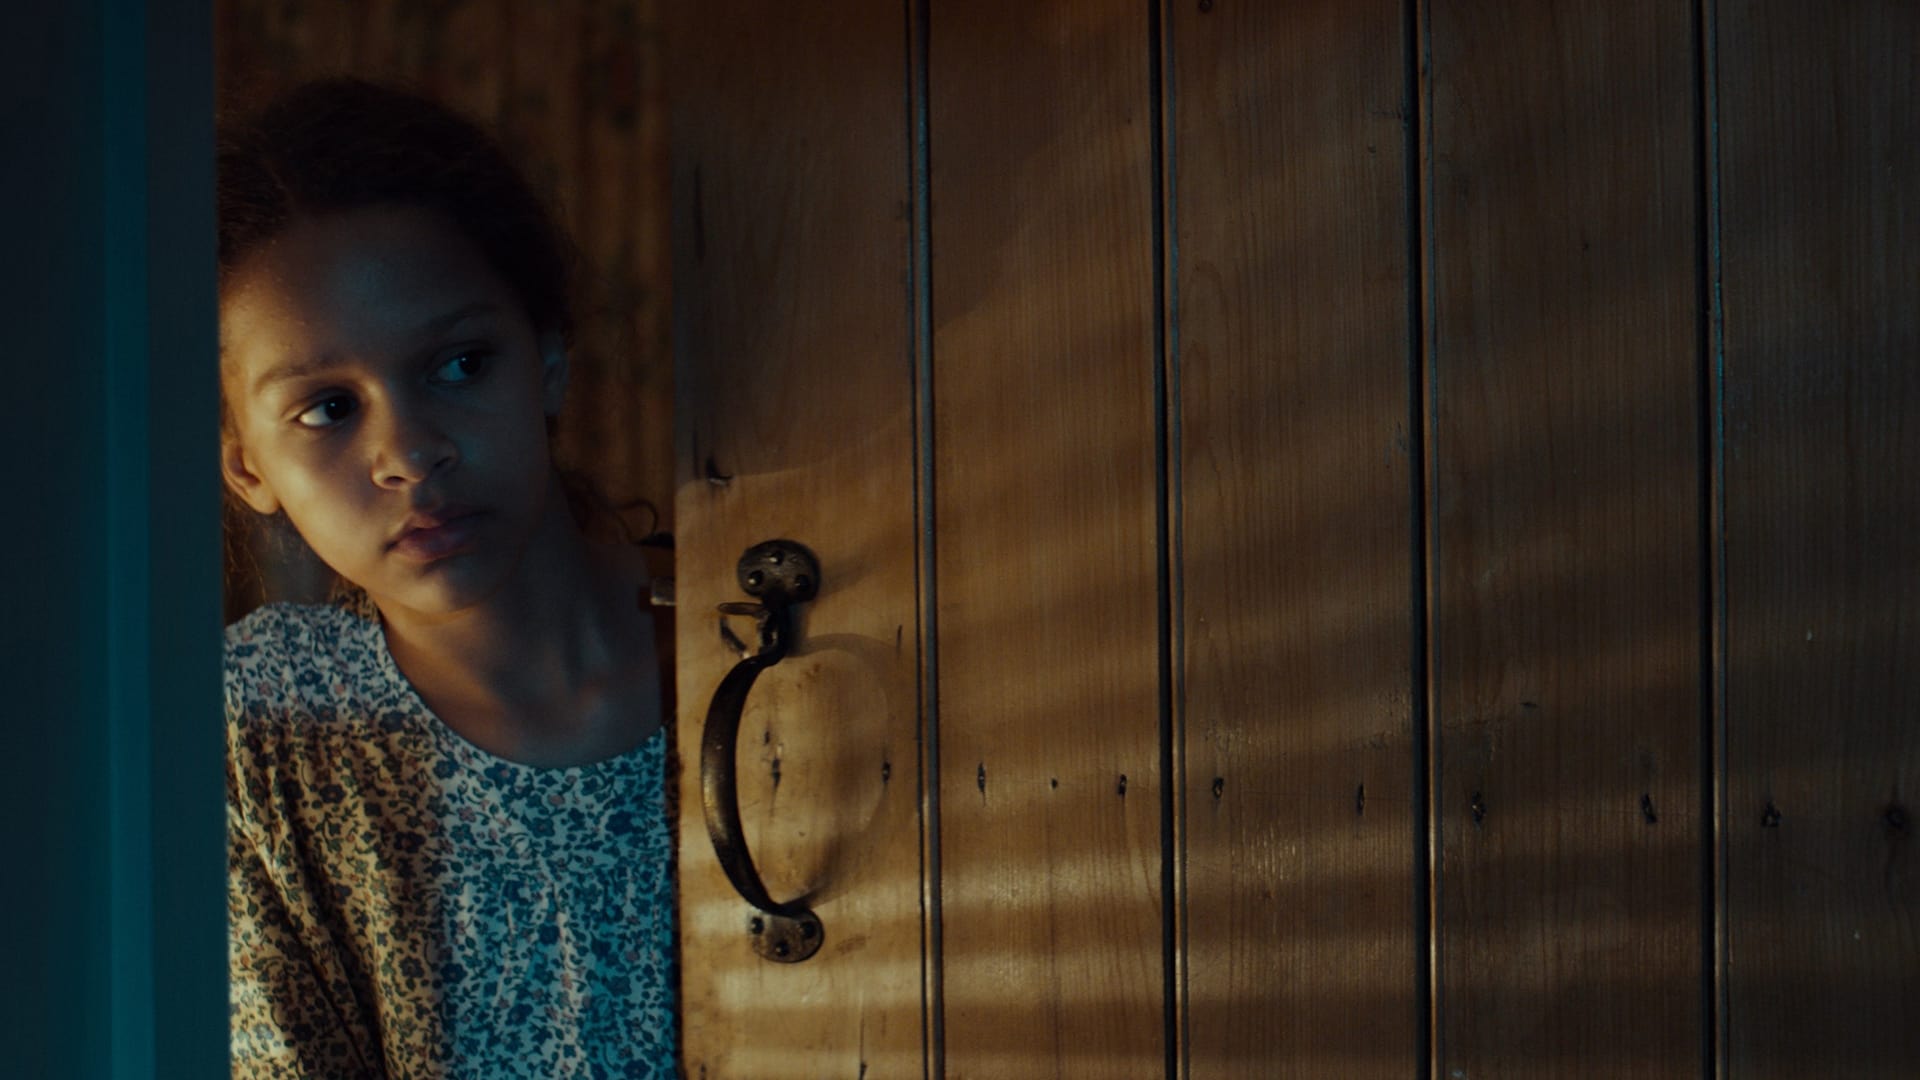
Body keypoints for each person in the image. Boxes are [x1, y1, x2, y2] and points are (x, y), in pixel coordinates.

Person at [218, 77, 676, 1078]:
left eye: (462, 364)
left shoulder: (766, 635)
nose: (411, 452)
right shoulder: (257, 730)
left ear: (547, 359)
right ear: (247, 466)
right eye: (328, 409)